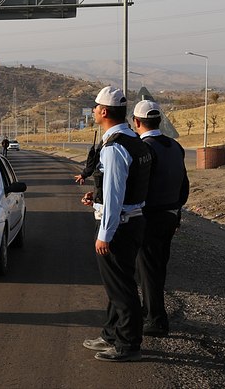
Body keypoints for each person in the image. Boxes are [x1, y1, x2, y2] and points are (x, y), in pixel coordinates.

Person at [80, 86, 152, 362]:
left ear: (105, 112)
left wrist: (104, 234)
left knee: (121, 288)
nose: (94, 111)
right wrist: (95, 197)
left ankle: (128, 343)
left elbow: (114, 196)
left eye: (96, 107)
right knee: (116, 285)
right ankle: (111, 333)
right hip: (132, 220)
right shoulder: (134, 140)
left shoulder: (114, 148)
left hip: (119, 226)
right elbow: (122, 187)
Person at [132, 100, 190, 337]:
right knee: (157, 267)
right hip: (170, 215)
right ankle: (152, 313)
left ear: (136, 122)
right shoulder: (175, 146)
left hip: (150, 217)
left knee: (148, 268)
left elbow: (139, 187)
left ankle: (155, 319)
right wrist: (176, 212)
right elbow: (184, 185)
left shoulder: (144, 150)